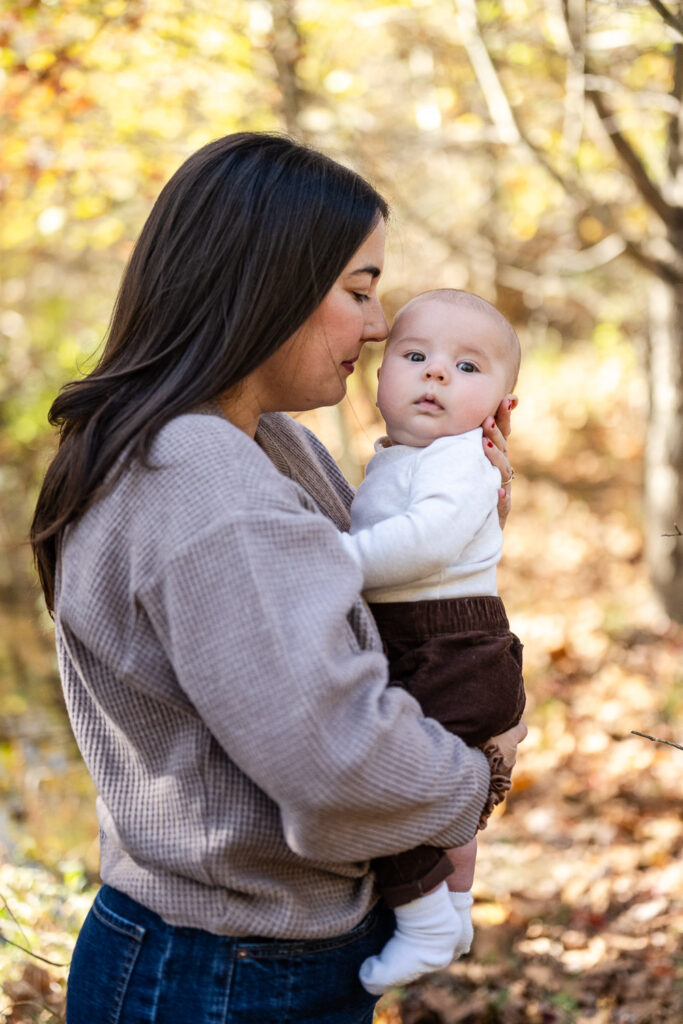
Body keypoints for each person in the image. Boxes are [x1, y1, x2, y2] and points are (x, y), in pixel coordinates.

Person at [30, 133, 526, 1024]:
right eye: (359, 292)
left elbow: (361, 615)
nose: (379, 330)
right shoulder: (205, 483)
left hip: (228, 953)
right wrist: (478, 776)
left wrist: (458, 489)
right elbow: (335, 763)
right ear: (267, 283)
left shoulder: (259, 444)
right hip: (220, 973)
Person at [340, 289, 525, 995]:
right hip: (435, 640)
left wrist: (332, 557)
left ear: (503, 404)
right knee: (431, 787)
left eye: (467, 367)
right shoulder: (398, 457)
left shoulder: (460, 457)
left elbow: (424, 544)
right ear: (378, 377)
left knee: (394, 791)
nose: (435, 374)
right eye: (414, 356)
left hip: (449, 643)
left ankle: (424, 924)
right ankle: (451, 905)